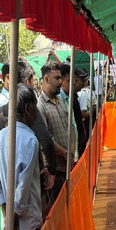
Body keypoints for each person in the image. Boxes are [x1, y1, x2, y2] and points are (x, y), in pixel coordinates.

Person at [0, 84, 42, 230]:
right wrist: (11, 219)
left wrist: (5, 213)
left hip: (13, 221)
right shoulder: (30, 140)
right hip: (27, 223)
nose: (37, 112)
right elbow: (23, 188)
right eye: (35, 107)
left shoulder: (3, 135)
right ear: (27, 108)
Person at [37, 62, 77, 200]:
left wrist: (72, 148)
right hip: (56, 170)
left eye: (61, 78)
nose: (60, 82)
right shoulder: (40, 106)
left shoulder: (60, 100)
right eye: (57, 78)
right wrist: (64, 152)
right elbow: (46, 138)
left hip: (69, 164)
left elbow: (70, 126)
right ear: (46, 79)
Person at [73, 68, 88, 156]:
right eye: (81, 80)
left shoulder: (75, 97)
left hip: (80, 140)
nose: (82, 83)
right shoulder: (70, 98)